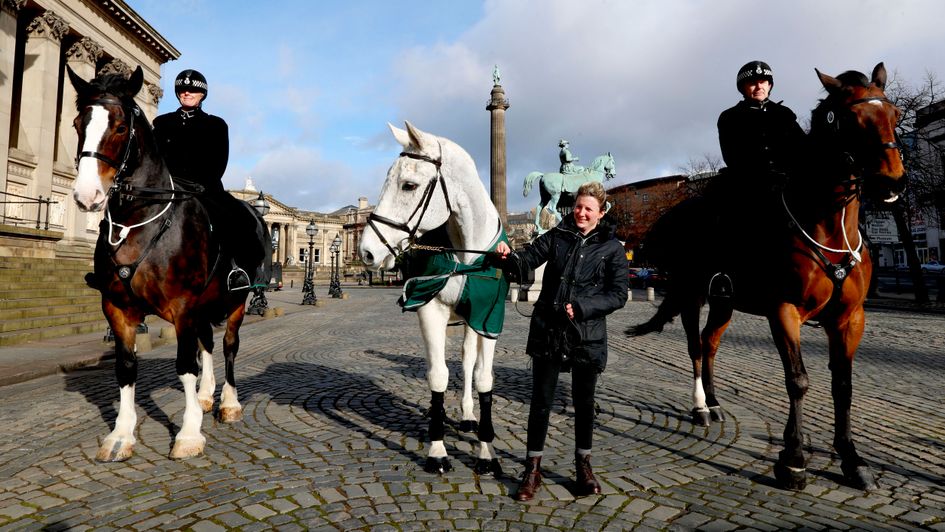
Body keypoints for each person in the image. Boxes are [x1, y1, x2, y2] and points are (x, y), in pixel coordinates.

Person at [494, 181, 629, 501]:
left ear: (601, 212)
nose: (581, 213)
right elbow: (525, 260)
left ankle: (583, 466)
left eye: (588, 209)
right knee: (540, 403)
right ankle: (532, 469)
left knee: (584, 405)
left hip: (587, 334)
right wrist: (506, 256)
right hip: (549, 331)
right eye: (579, 207)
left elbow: (619, 294)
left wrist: (583, 307)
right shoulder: (556, 236)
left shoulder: (611, 247)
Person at [153, 69, 262, 291]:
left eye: (192, 90)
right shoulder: (161, 123)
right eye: (182, 90)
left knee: (242, 219)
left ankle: (237, 269)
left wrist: (200, 183)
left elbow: (219, 161)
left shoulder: (215, 125)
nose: (186, 93)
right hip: (167, 188)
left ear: (202, 94)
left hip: (203, 188)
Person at [709, 60, 807, 298]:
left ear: (770, 85)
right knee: (726, 213)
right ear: (743, 88)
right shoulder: (730, 117)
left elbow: (802, 149)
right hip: (749, 182)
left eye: (763, 82)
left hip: (786, 182)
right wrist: (765, 172)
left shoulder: (784, 115)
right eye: (752, 83)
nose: (758, 86)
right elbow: (731, 155)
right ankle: (722, 274)